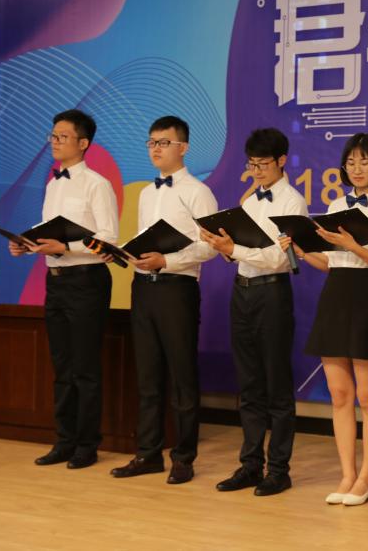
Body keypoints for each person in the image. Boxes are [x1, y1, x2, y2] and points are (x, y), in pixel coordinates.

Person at [281, 133, 368, 507]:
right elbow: (330, 262)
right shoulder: (336, 204)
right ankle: (347, 474)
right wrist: (302, 250)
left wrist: (353, 245)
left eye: (364, 162)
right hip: (334, 297)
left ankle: (367, 477)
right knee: (339, 394)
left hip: (366, 297)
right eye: (351, 162)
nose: (357, 168)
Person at [109, 115, 218, 485]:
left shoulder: (198, 192)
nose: (155, 148)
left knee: (182, 376)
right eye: (151, 142)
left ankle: (184, 458)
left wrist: (167, 260)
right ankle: (148, 454)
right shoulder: (146, 193)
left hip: (177, 289)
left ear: (183, 147)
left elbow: (210, 246)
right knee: (148, 376)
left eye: (163, 142)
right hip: (144, 287)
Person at [201, 128, 307, 497]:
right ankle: (250, 464)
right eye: (252, 165)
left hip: (272, 293)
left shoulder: (292, 202)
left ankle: (278, 469)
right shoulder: (248, 202)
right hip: (242, 291)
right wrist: (224, 247)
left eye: (263, 164)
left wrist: (234, 250)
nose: (256, 171)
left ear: (282, 161)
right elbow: (240, 253)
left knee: (276, 384)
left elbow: (280, 259)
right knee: (248, 384)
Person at [9, 109, 118, 470]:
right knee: (62, 367)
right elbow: (49, 234)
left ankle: (87, 445)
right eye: (52, 136)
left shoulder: (97, 184)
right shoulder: (53, 183)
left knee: (85, 367)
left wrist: (66, 248)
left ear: (83, 143)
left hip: (86, 281)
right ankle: (64, 441)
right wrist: (27, 245)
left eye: (62, 137)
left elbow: (108, 240)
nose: (54, 142)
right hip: (55, 281)